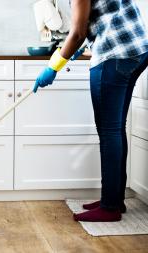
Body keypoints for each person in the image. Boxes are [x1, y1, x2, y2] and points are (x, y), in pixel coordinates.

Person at [34, 0, 148, 222]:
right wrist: (85, 46)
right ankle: (114, 199)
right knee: (115, 129)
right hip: (137, 50)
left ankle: (110, 207)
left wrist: (53, 66)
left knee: (109, 132)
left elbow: (77, 32)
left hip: (115, 54)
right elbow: (106, 15)